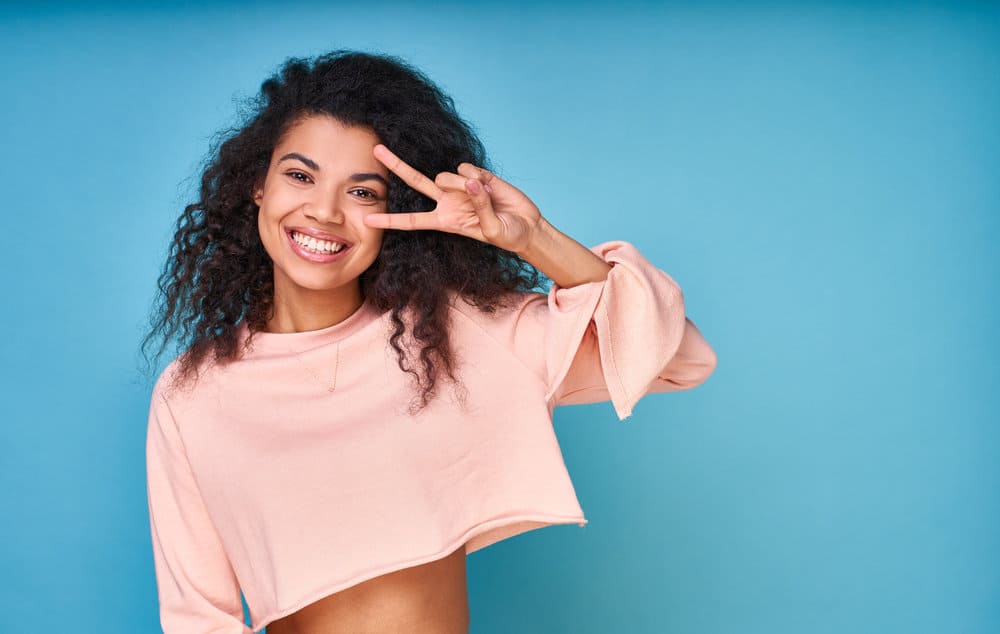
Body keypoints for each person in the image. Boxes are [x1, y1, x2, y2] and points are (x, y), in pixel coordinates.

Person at [140, 48, 717, 634]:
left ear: (399, 211)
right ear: (256, 187)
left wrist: (534, 238)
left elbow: (679, 358)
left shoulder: (455, 336)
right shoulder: (192, 395)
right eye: (299, 175)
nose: (324, 211)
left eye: (363, 192)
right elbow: (197, 618)